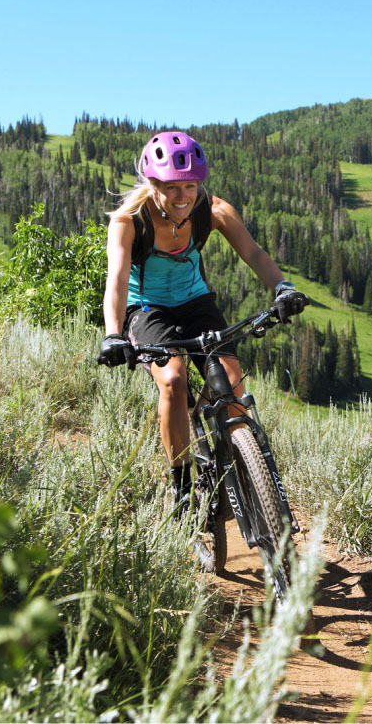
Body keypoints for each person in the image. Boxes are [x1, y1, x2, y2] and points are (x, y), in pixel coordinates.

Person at [97, 131, 308, 513]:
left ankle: (246, 469)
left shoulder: (212, 210)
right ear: (153, 184)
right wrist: (114, 335)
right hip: (146, 308)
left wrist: (282, 287)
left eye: (190, 185)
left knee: (231, 386)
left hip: (195, 302)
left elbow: (254, 253)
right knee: (173, 380)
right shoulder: (128, 222)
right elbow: (116, 281)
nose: (183, 196)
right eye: (172, 187)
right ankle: (182, 486)